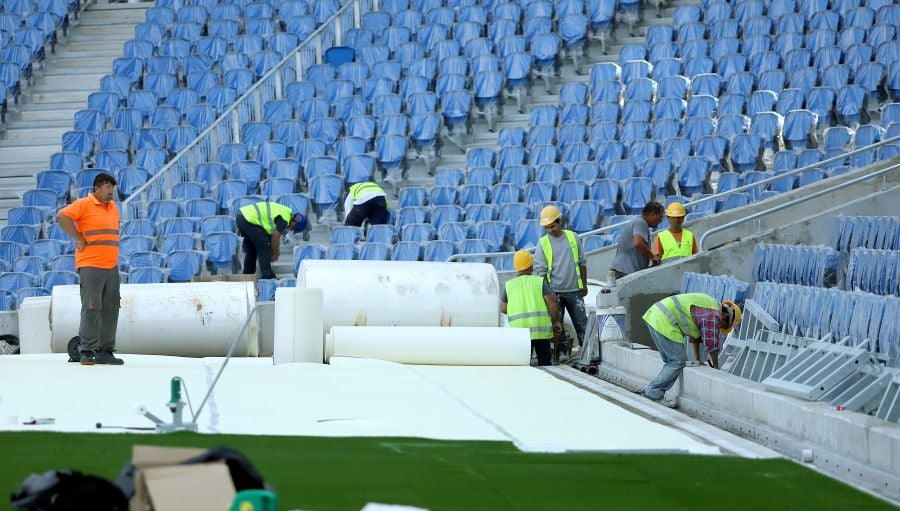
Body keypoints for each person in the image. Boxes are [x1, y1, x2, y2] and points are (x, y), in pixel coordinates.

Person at [57, 172, 124, 366]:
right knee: (92, 308)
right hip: (91, 265)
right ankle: (86, 350)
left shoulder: (113, 207)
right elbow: (62, 216)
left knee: (111, 309)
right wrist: (78, 238)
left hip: (111, 265)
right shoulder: (84, 204)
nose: (111, 190)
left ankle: (105, 351)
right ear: (97, 188)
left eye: (112, 187)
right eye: (107, 187)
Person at [642, 293, 742, 406]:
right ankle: (653, 393)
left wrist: (697, 359)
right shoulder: (714, 314)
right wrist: (716, 367)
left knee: (670, 362)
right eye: (723, 325)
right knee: (677, 362)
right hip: (664, 320)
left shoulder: (708, 306)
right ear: (725, 315)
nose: (720, 327)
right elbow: (711, 344)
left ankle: (652, 391)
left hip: (655, 315)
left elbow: (696, 338)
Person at [533, 205, 588, 360]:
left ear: (560, 221)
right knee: (557, 327)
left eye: (553, 226)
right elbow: (541, 274)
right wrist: (548, 295)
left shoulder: (573, 237)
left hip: (574, 291)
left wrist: (584, 284)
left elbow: (582, 263)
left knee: (582, 323)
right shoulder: (542, 244)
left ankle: (588, 353)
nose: (550, 230)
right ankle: (560, 356)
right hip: (554, 292)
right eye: (547, 227)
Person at [500, 250, 563, 366]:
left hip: (520, 334)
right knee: (545, 364)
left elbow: (503, 308)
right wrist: (556, 321)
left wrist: (517, 309)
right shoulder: (539, 282)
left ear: (516, 267)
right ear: (531, 266)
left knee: (522, 365)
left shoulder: (509, 285)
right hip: (541, 332)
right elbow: (552, 304)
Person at [236, 201, 306, 280]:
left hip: (242, 217)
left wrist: (273, 249)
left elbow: (273, 235)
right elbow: (275, 237)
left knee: (252, 249)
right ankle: (268, 277)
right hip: (249, 219)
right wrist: (276, 253)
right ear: (295, 223)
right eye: (293, 228)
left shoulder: (285, 211)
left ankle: (247, 276)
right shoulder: (285, 218)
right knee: (264, 244)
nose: (291, 229)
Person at [609, 201, 664, 279]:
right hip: (624, 273)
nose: (661, 220)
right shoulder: (641, 222)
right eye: (660, 216)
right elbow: (638, 242)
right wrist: (652, 256)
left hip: (622, 271)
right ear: (653, 214)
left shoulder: (639, 222)